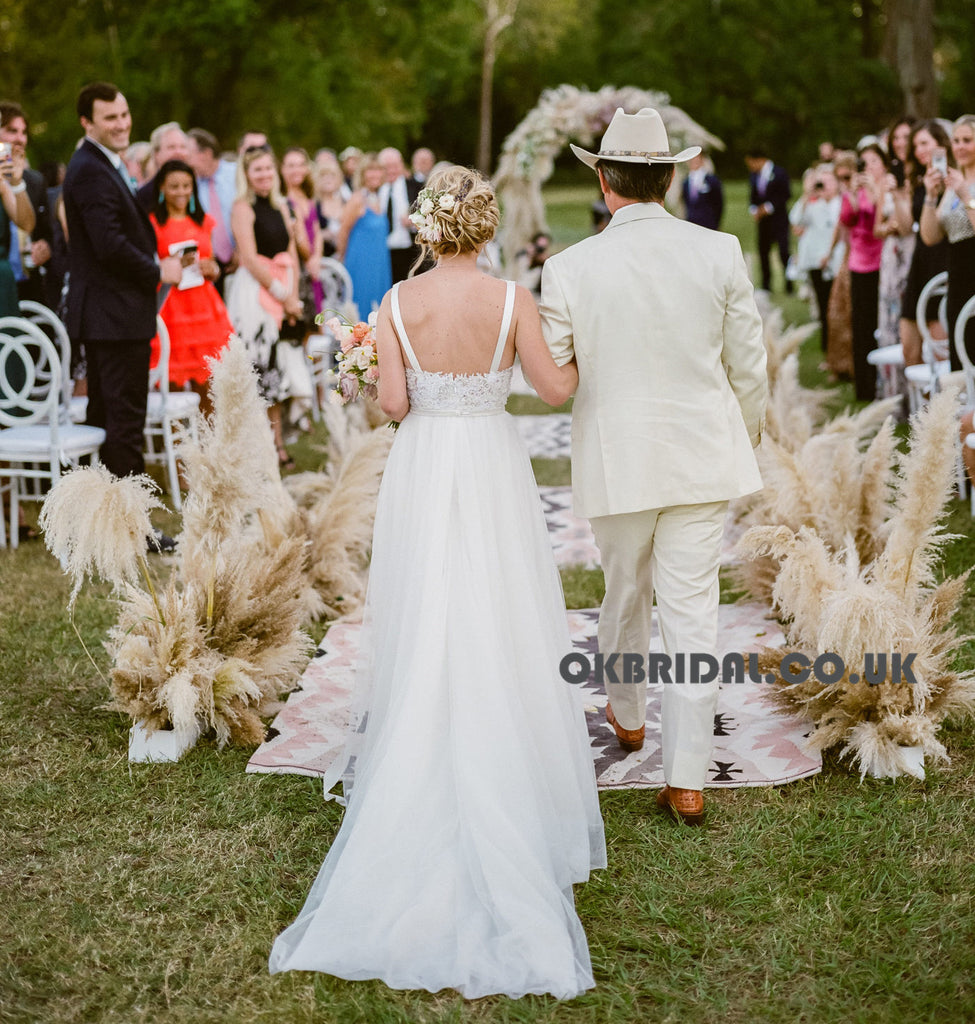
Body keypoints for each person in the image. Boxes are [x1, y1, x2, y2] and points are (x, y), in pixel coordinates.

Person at [269, 165, 605, 998]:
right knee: (500, 611)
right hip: (489, 461)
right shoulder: (511, 299)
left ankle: (425, 741)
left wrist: (380, 368)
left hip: (425, 465)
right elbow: (556, 387)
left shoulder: (393, 307)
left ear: (423, 230)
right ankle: (510, 762)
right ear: (485, 228)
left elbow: (390, 405)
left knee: (428, 612)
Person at [539, 108, 767, 827]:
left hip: (617, 459)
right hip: (701, 453)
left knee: (622, 593)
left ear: (603, 181)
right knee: (693, 615)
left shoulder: (567, 268)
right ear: (668, 178)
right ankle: (688, 778)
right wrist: (744, 438)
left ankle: (629, 715)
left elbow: (557, 373)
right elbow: (749, 367)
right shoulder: (720, 250)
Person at [61, 82, 184, 551]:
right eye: (110, 117)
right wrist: (159, 269)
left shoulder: (105, 164)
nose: (122, 123)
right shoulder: (89, 169)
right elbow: (109, 243)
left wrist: (165, 172)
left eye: (125, 114)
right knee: (124, 423)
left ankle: (106, 526)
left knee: (110, 418)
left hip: (113, 315)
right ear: (86, 123)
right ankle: (133, 531)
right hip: (112, 316)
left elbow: (127, 213)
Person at [225, 144, 306, 468]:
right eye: (257, 169)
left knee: (280, 372)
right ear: (247, 174)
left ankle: (277, 443)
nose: (264, 175)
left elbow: (292, 251)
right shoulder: (242, 208)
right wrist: (278, 293)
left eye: (268, 169)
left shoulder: (282, 205)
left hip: (283, 291)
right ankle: (256, 448)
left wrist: (293, 294)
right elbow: (247, 257)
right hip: (255, 296)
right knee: (259, 371)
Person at [149, 159, 233, 419]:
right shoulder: (153, 223)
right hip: (170, 306)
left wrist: (212, 268)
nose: (181, 191)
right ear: (162, 187)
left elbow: (214, 263)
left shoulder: (203, 221)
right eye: (174, 186)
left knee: (208, 378)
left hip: (203, 306)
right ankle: (177, 444)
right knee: (172, 376)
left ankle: (208, 440)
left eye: (186, 185)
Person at [899, 120, 951, 365]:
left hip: (943, 259)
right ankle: (922, 403)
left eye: (924, 143)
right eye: (916, 145)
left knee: (941, 347)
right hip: (920, 259)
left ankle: (945, 403)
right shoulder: (918, 181)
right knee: (909, 347)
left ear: (940, 144)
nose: (919, 149)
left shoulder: (953, 179)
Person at [840, 143, 888, 400]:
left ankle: (884, 381)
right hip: (859, 261)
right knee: (861, 322)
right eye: (864, 162)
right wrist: (851, 194)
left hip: (881, 260)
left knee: (881, 322)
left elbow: (880, 218)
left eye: (873, 161)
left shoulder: (885, 188)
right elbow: (847, 220)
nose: (868, 167)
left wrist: (872, 191)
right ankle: (864, 386)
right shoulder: (854, 191)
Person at [0, 101, 53, 306]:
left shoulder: (32, 181)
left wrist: (16, 182)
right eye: (12, 131)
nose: (20, 139)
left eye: (23, 132)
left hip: (19, 281)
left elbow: (28, 224)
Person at [790, 165, 843, 351]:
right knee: (823, 306)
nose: (826, 185)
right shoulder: (813, 203)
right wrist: (807, 194)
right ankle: (827, 348)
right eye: (822, 181)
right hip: (817, 263)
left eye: (830, 181)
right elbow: (796, 220)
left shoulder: (842, 202)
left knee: (838, 307)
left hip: (838, 262)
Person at [337, 153, 392, 317]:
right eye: (370, 170)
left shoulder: (378, 198)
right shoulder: (357, 199)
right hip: (360, 264)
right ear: (362, 173)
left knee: (379, 307)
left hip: (380, 264)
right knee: (360, 309)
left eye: (378, 170)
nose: (375, 174)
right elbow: (343, 231)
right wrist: (342, 259)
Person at [187, 128, 237, 294]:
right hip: (211, 265)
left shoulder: (236, 174)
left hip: (241, 260)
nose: (187, 160)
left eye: (190, 154)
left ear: (206, 153)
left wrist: (241, 251)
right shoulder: (190, 185)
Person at [745, 146, 792, 292]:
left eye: (751, 162)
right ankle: (766, 285)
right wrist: (754, 209)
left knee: (783, 252)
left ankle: (789, 284)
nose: (749, 166)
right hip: (763, 223)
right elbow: (752, 196)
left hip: (779, 220)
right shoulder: (754, 176)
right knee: (763, 252)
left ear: (759, 160)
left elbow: (786, 194)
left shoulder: (779, 173)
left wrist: (768, 207)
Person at [378, 146, 422, 283]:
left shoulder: (416, 187)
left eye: (395, 166)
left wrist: (414, 221)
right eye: (386, 167)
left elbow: (428, 216)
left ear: (402, 165)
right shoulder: (375, 188)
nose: (391, 171)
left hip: (408, 249)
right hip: (380, 251)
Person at [681, 150, 723, 230]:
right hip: (691, 222)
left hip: (708, 223)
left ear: (702, 160)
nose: (694, 161)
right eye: (691, 159)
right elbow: (686, 202)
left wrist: (716, 222)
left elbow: (718, 203)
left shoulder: (711, 180)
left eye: (696, 158)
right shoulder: (686, 182)